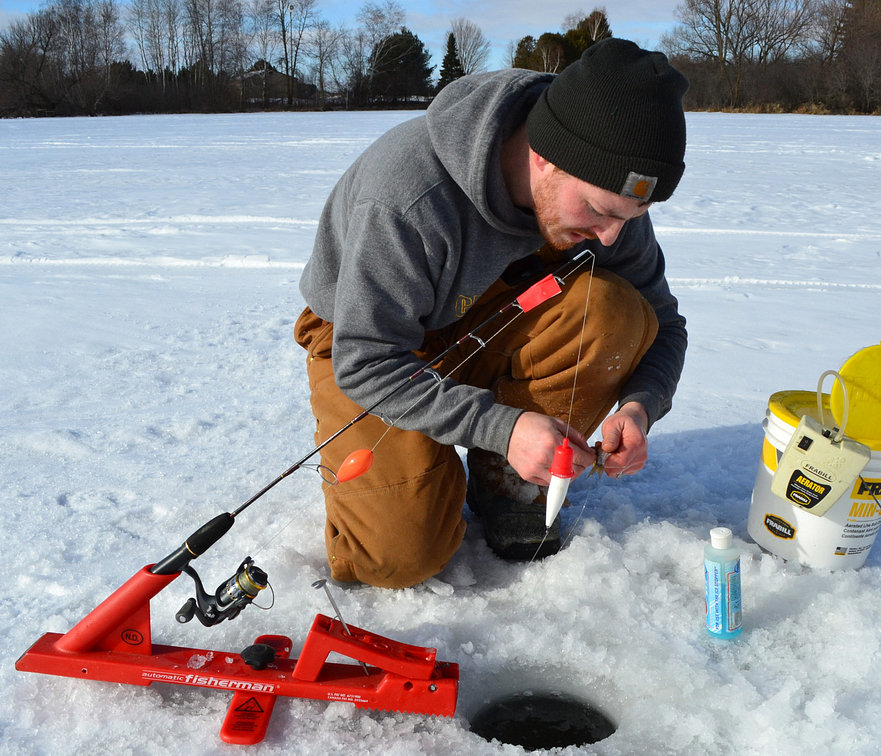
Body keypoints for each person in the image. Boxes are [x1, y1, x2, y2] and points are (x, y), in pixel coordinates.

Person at [295, 38, 689, 589]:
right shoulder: (408, 195)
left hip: (489, 323)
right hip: (374, 347)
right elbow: (365, 361)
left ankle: (508, 483)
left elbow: (665, 323)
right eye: (599, 211)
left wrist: (641, 406)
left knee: (618, 312)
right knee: (397, 558)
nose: (611, 235)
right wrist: (499, 426)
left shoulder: (608, 193)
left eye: (632, 215)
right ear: (543, 155)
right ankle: (447, 466)